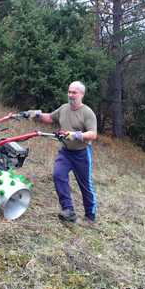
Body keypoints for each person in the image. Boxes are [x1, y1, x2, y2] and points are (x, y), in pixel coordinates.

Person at [27, 81, 98, 225]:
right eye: (69, 92)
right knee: (58, 175)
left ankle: (90, 216)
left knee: (84, 185)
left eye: (74, 93)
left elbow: (93, 134)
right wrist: (37, 113)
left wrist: (78, 135)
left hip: (81, 154)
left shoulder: (87, 113)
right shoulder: (64, 108)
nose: (71, 95)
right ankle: (68, 210)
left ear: (82, 94)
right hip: (65, 152)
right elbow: (50, 118)